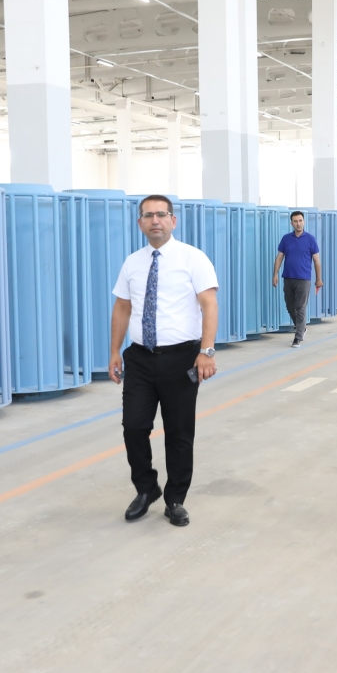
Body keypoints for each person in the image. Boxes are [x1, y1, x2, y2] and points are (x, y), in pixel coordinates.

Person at [109, 195, 219, 528]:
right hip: (140, 358)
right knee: (134, 426)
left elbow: (209, 305)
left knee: (179, 432)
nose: (155, 220)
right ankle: (146, 489)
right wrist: (114, 351)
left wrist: (207, 351)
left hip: (182, 358)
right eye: (148, 215)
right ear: (140, 223)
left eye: (161, 214)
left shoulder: (193, 258)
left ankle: (175, 499)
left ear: (173, 220)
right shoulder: (132, 262)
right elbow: (122, 308)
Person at [272, 211, 323, 348]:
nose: (298, 223)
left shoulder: (310, 239)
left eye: (300, 221)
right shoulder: (286, 239)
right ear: (291, 223)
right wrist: (275, 274)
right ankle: (302, 327)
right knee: (290, 306)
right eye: (295, 221)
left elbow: (316, 261)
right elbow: (279, 257)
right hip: (288, 277)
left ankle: (298, 337)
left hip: (304, 279)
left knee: (300, 307)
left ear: (304, 222)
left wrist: (319, 279)